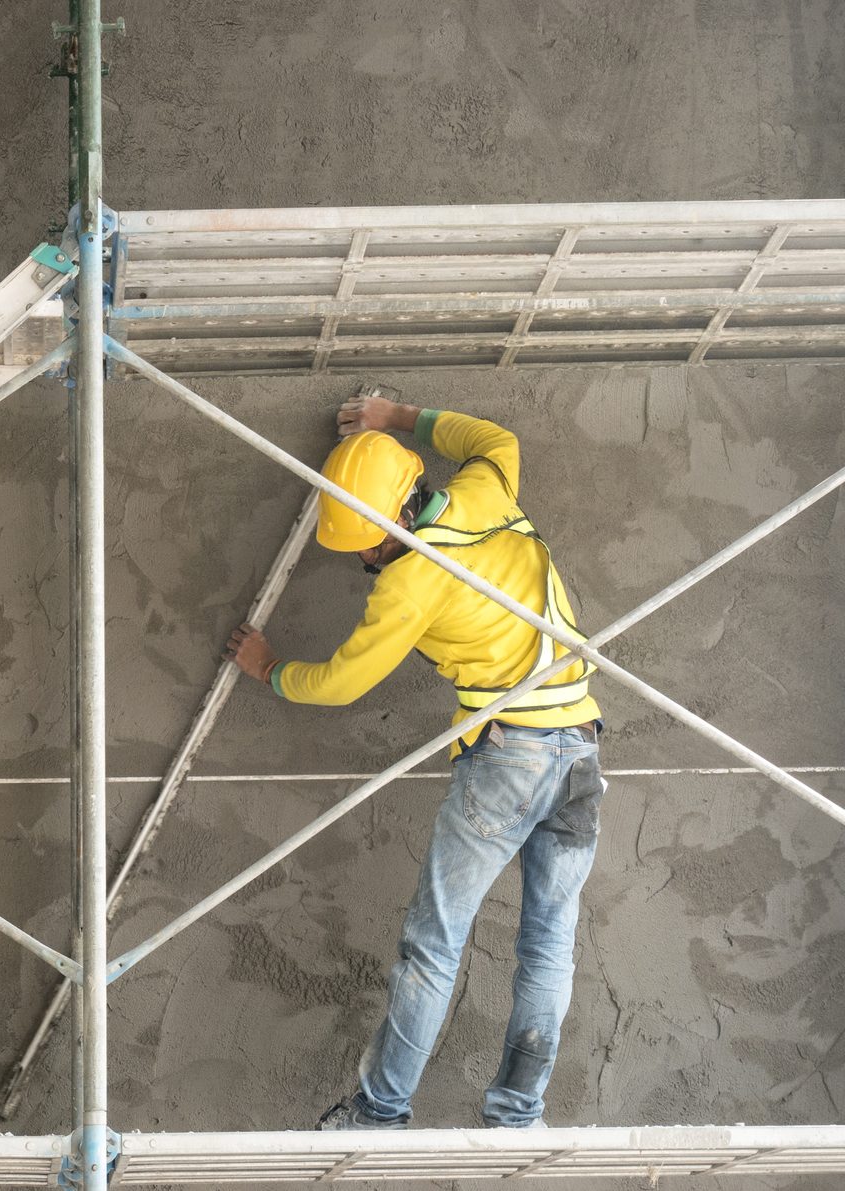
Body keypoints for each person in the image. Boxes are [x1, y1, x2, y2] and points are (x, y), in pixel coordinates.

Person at [224, 389, 606, 1130]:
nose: (362, 556)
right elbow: (492, 434)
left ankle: (379, 1110)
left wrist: (270, 667)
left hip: (507, 760)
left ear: (396, 517)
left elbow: (339, 682)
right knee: (548, 945)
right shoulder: (482, 490)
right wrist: (395, 417)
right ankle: (517, 1112)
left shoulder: (409, 582)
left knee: (433, 945)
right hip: (580, 752)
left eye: (364, 540)